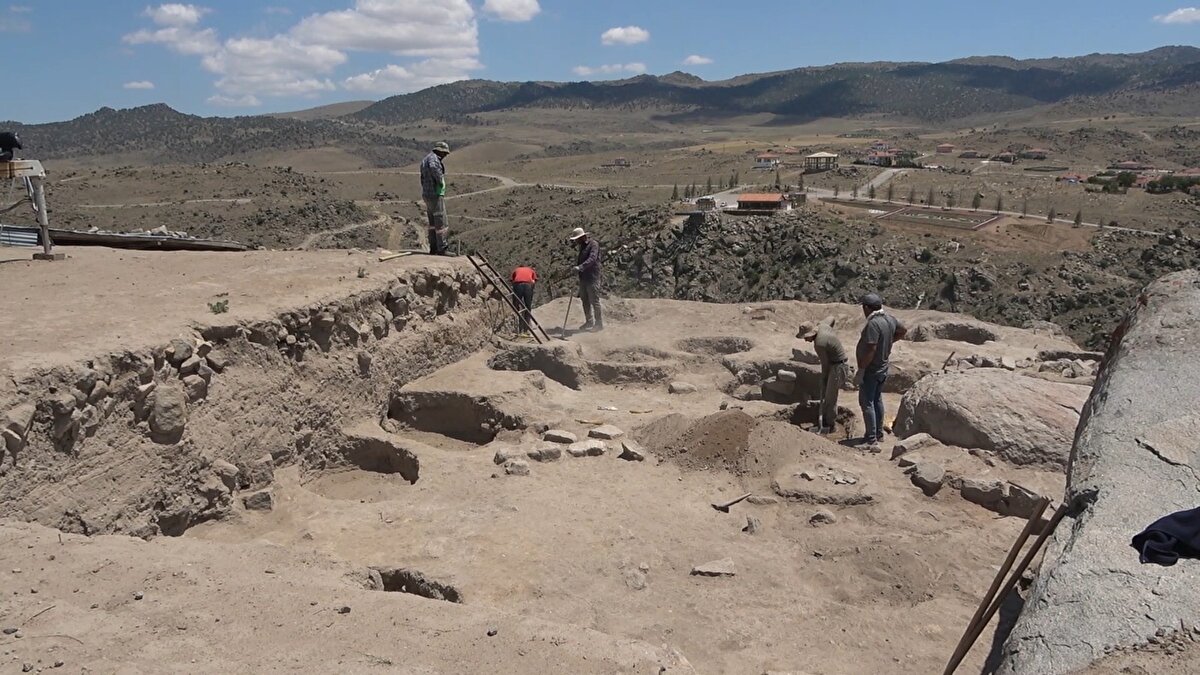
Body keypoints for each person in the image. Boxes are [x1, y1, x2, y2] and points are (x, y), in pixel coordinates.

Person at [854, 293, 906, 448]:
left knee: (867, 403)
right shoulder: (890, 319)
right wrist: (890, 341)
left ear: (867, 308)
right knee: (877, 400)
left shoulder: (873, 324)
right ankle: (878, 434)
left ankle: (871, 440)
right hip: (883, 367)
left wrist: (861, 369)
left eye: (863, 307)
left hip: (872, 369)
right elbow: (903, 330)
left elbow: (871, 348)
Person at [799, 318, 848, 434]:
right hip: (834, 363)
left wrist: (824, 379)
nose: (806, 340)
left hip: (838, 367)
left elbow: (824, 365)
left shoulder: (819, 343)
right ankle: (826, 420)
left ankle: (830, 425)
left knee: (830, 397)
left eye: (806, 337)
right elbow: (832, 318)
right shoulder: (822, 325)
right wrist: (832, 336)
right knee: (827, 394)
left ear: (812, 333)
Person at [568, 227, 603, 331]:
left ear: (583, 237)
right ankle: (589, 321)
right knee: (585, 300)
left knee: (594, 300)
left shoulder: (593, 244)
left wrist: (580, 267)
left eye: (577, 239)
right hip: (583, 277)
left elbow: (592, 259)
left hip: (593, 276)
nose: (577, 241)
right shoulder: (582, 247)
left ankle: (599, 323)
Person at [420, 141, 451, 255]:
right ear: (440, 151)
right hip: (435, 194)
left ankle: (433, 247)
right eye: (444, 153)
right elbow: (435, 170)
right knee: (441, 222)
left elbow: (422, 177)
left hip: (427, 194)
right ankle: (442, 248)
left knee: (432, 223)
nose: (445, 156)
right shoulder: (433, 160)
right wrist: (439, 181)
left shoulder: (425, 159)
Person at [510, 264, 538, 334]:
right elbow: (534, 281)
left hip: (518, 285)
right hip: (528, 285)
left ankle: (517, 324)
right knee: (528, 306)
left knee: (516, 304)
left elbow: (512, 281)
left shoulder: (516, 270)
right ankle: (527, 328)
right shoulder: (531, 270)